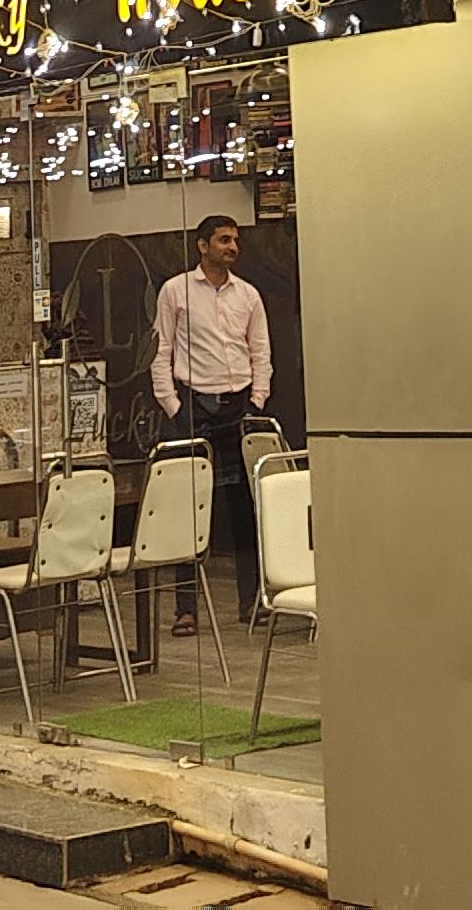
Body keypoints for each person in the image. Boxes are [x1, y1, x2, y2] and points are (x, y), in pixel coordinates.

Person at [149, 213, 273, 634]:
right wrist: (172, 406)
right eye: (223, 240)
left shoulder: (249, 295)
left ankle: (251, 601)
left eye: (235, 240)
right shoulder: (175, 290)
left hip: (239, 405)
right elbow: (161, 351)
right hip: (193, 405)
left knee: (245, 509)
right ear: (202, 246)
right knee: (189, 509)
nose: (232, 247)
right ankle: (185, 610)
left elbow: (261, 352)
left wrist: (256, 402)